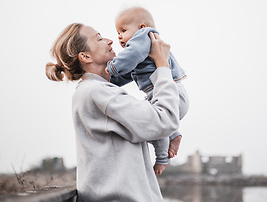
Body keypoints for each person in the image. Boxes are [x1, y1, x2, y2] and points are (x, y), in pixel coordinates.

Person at [45, 23, 180, 201]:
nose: (109, 41)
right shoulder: (97, 92)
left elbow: (152, 124)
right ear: (85, 56)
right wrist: (162, 66)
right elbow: (164, 121)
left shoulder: (92, 90)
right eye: (99, 38)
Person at [106, 7, 189, 175]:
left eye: (123, 30)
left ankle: (162, 158)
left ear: (141, 27)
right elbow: (127, 74)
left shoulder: (143, 38)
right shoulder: (143, 51)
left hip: (171, 94)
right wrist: (110, 80)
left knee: (146, 122)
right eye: (118, 32)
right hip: (171, 94)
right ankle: (172, 134)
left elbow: (130, 57)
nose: (119, 36)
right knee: (140, 117)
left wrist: (113, 67)